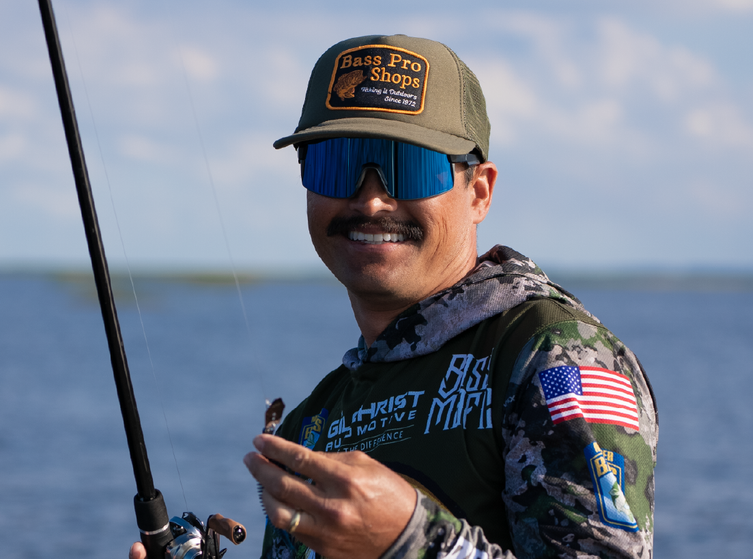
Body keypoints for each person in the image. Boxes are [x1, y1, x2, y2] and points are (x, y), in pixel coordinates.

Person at [133, 33, 657, 559]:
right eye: (336, 164)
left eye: (409, 166)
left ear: (479, 192)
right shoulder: (310, 421)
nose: (372, 201)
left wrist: (412, 542)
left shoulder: (554, 356)